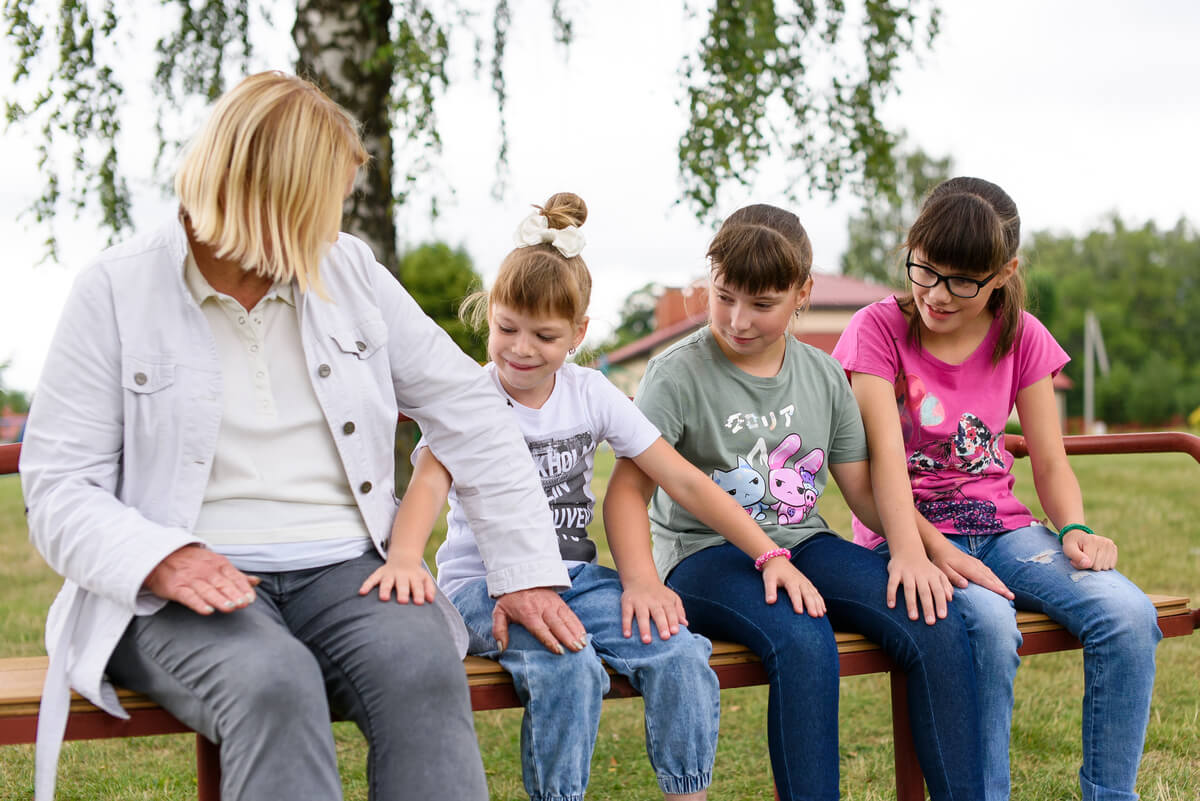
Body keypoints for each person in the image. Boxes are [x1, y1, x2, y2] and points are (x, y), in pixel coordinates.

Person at [20, 71, 588, 801]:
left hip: (346, 568)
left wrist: (523, 571)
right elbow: (59, 487)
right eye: (325, 207)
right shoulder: (115, 288)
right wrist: (159, 559)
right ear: (271, 200)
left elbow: (470, 412)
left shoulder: (349, 271)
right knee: (273, 682)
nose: (333, 229)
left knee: (422, 668)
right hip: (178, 582)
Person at [360, 192, 838, 801]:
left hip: (577, 580)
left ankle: (687, 794)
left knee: (680, 651)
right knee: (570, 667)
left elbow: (684, 479)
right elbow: (428, 484)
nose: (521, 348)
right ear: (490, 315)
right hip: (485, 586)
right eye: (506, 328)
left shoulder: (589, 393)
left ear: (579, 333)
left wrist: (767, 554)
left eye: (544, 335)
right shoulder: (469, 398)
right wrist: (406, 559)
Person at [605, 203, 986, 801]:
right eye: (724, 297)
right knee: (804, 639)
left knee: (932, 615)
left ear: (802, 294)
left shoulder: (823, 375)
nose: (737, 320)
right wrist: (642, 582)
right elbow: (629, 491)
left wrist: (932, 549)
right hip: (704, 556)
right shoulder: (675, 375)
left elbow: (864, 493)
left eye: (762, 304)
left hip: (804, 544)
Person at [831, 176, 1161, 801]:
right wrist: (915, 551)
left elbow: (1050, 463)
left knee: (1128, 615)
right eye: (925, 270)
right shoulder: (877, 329)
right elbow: (882, 467)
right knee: (986, 626)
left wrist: (1075, 528)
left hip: (1005, 531)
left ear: (1004, 272)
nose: (936, 294)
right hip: (908, 535)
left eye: (962, 281)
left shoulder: (1021, 334)